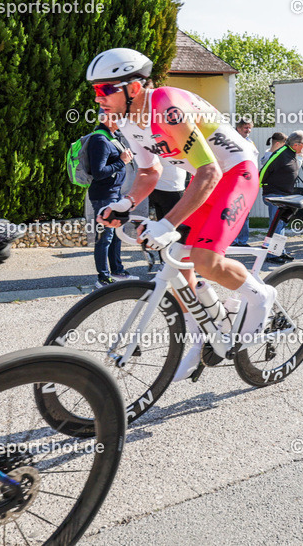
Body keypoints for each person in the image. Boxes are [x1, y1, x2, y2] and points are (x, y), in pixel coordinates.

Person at [88, 49, 276, 349]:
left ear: (134, 88)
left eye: (105, 90)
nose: (98, 98)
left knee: (205, 261)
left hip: (236, 172)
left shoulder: (165, 106)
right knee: (177, 258)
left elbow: (209, 170)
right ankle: (201, 332)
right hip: (208, 179)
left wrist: (166, 223)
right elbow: (150, 172)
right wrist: (125, 204)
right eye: (95, 91)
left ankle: (261, 295)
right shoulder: (127, 122)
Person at [87, 114, 135, 287]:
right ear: (106, 118)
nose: (121, 122)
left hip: (114, 193)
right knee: (104, 237)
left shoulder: (112, 137)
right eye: (118, 118)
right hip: (103, 196)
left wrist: (123, 158)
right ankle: (103, 277)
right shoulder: (99, 140)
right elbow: (98, 172)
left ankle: (118, 271)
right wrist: (121, 162)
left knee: (116, 235)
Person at [260, 131, 303, 263]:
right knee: (276, 225)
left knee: (281, 224)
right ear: (296, 144)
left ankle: (279, 251)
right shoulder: (281, 152)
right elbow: (265, 169)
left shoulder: (291, 153)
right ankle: (271, 254)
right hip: (275, 195)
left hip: (284, 195)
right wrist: (261, 185)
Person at [232, 117, 256, 246]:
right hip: (236, 181)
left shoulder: (249, 142)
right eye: (246, 128)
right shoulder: (233, 140)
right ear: (239, 128)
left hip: (248, 181)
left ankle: (242, 240)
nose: (249, 130)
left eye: (250, 127)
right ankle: (232, 240)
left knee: (245, 212)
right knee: (234, 212)